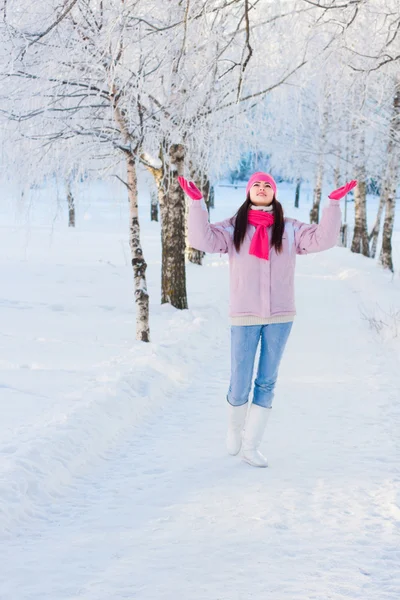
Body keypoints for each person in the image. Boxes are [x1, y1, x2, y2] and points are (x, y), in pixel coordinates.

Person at [178, 173, 357, 468]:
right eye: (257, 185)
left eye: (268, 186)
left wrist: (333, 204)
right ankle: (235, 428)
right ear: (249, 192)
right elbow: (201, 239)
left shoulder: (289, 228)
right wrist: (196, 203)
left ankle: (251, 445)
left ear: (274, 193)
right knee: (239, 382)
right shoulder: (234, 227)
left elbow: (322, 239)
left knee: (267, 381)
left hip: (280, 316)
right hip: (244, 314)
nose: (262, 189)